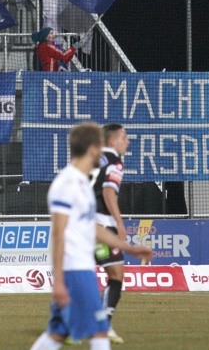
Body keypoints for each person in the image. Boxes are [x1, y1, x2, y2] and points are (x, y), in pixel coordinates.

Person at [30, 122, 152, 350]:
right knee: (99, 330)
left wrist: (129, 248)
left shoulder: (83, 183)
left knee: (57, 334)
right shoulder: (66, 184)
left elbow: (93, 228)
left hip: (81, 267)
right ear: (93, 148)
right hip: (74, 270)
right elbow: (57, 234)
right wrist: (58, 280)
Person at [93, 123, 131, 344]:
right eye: (124, 137)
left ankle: (67, 325)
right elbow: (109, 193)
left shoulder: (93, 160)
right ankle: (103, 325)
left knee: (81, 277)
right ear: (112, 141)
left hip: (80, 224)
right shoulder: (115, 162)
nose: (128, 141)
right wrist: (119, 222)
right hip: (102, 225)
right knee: (116, 275)